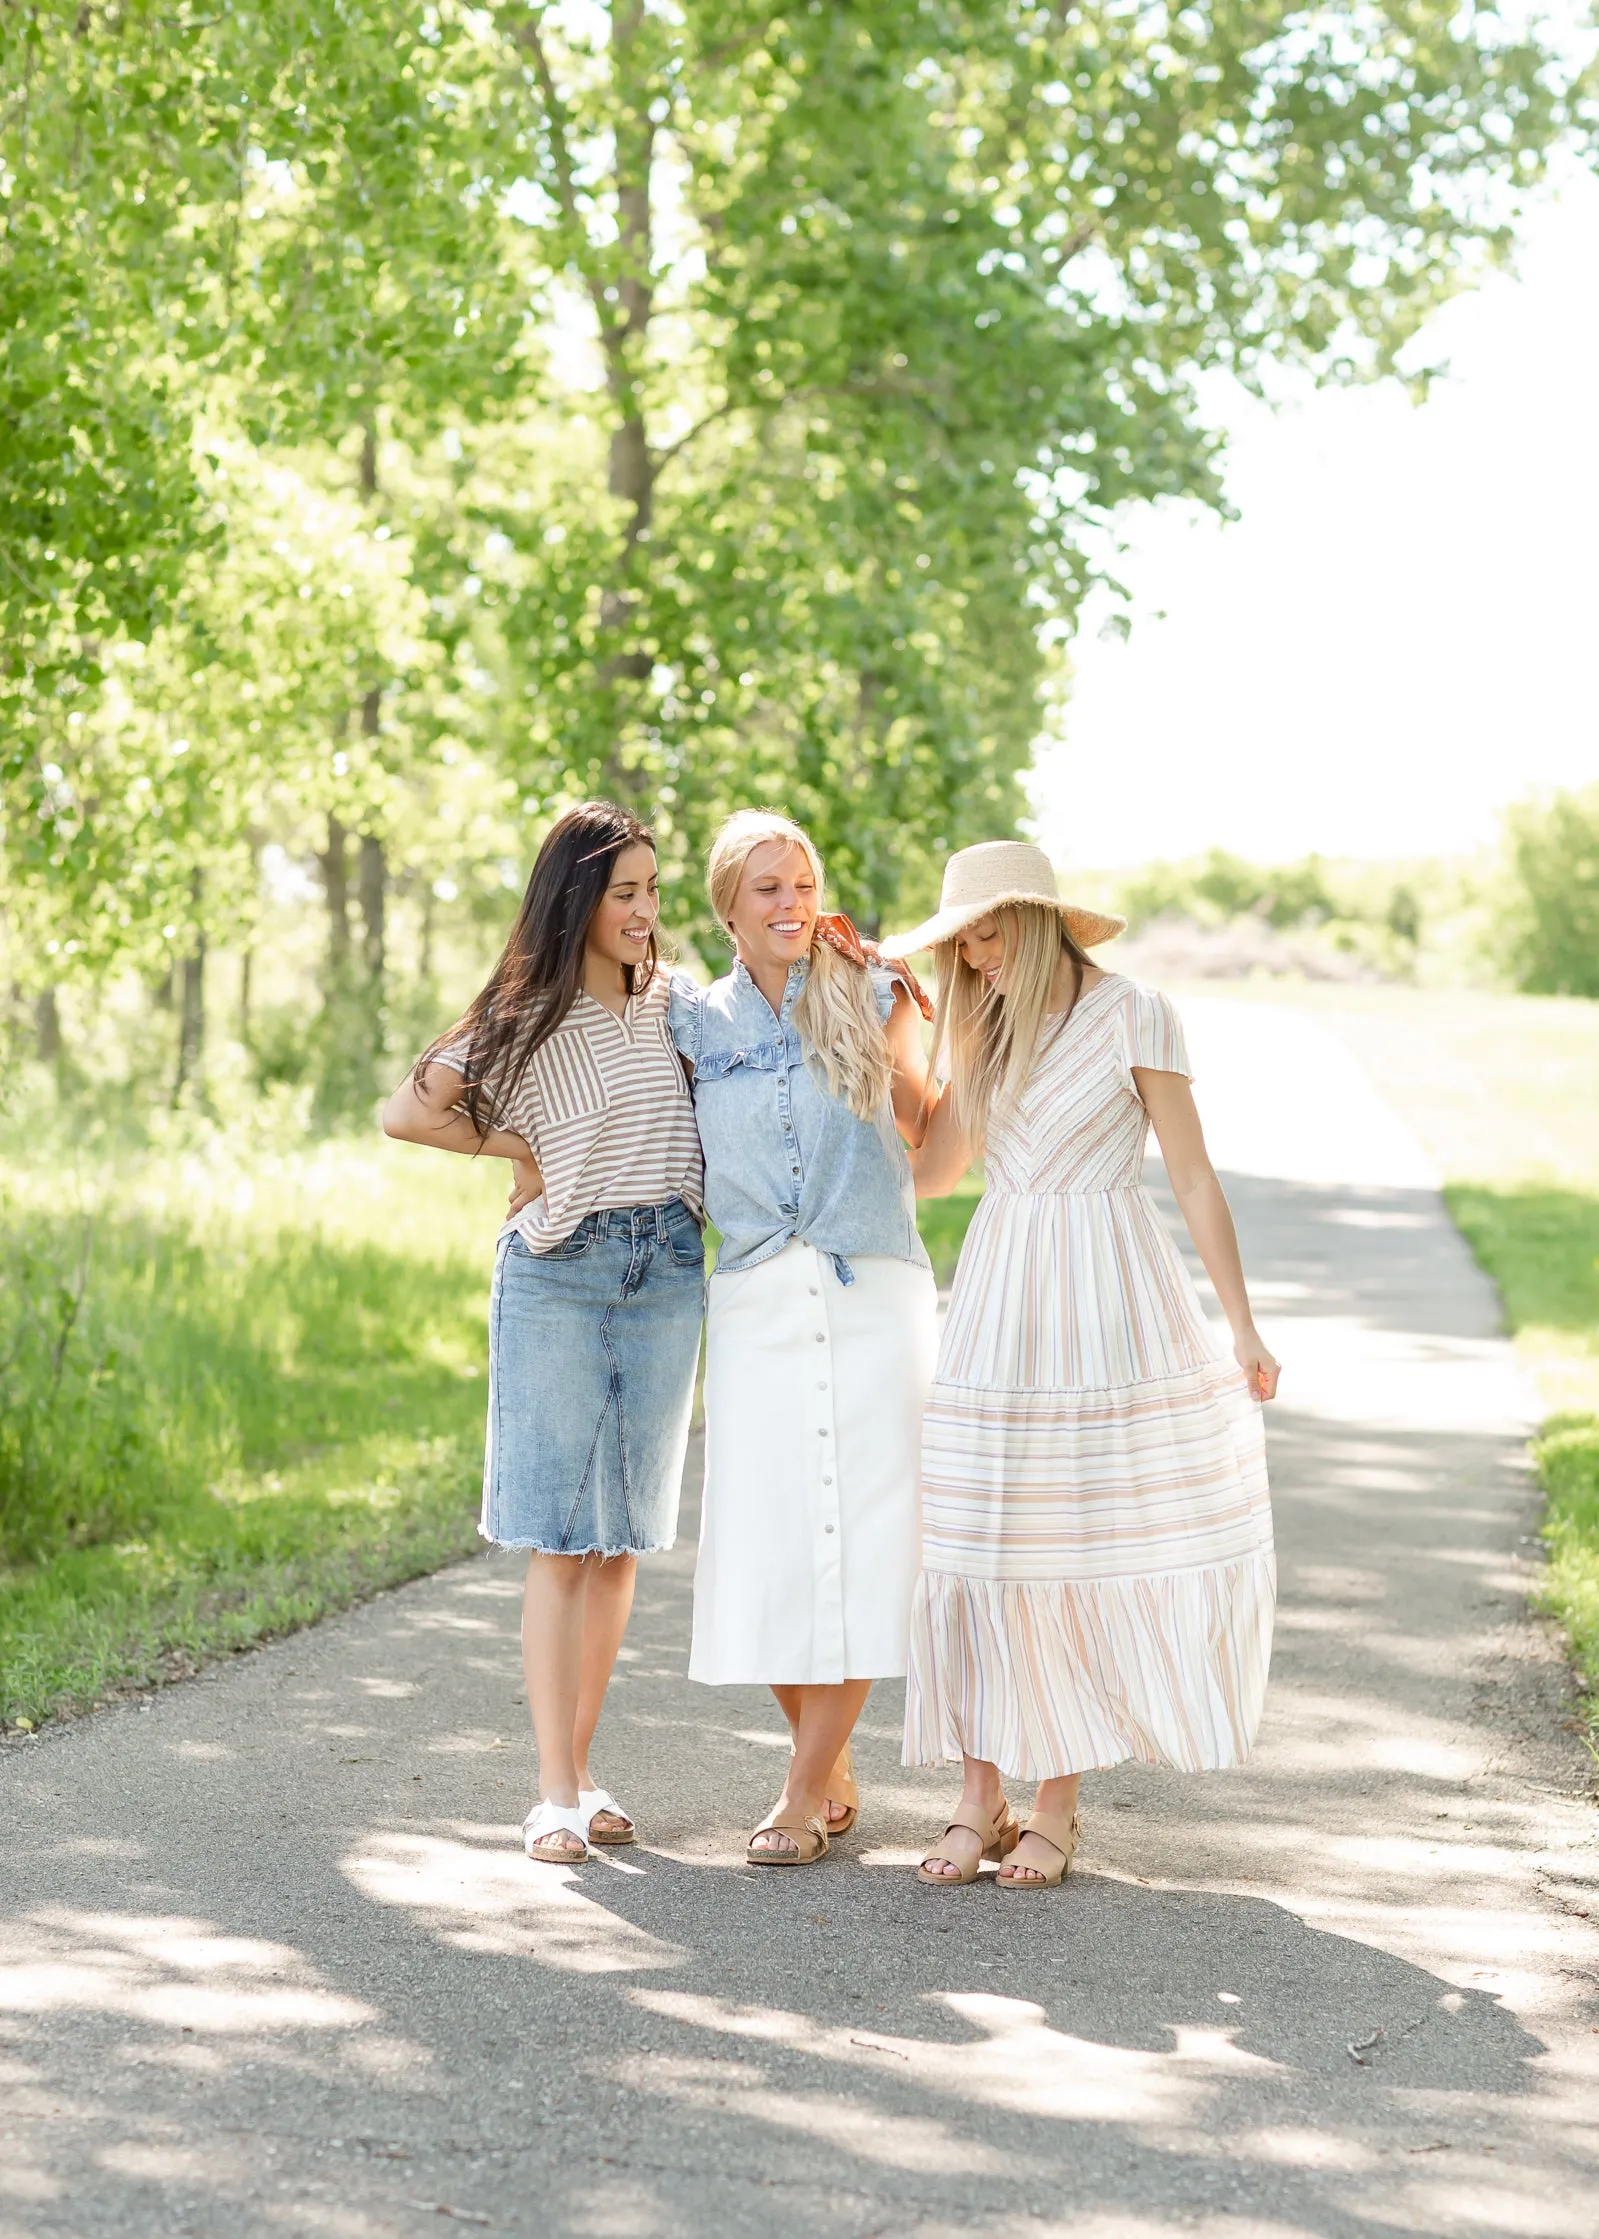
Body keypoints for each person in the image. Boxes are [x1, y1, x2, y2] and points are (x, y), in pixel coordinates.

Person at [882, 840, 1279, 1891]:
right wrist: (891, 1043)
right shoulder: (984, 1022)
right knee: (975, 1539)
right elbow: (931, 1173)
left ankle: (1054, 1802)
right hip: (1001, 1294)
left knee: (1069, 1543)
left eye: (985, 930)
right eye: (959, 939)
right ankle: (978, 1794)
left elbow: (1192, 1177)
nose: (973, 952)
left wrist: (1240, 1324)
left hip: (1104, 1296)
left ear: (1035, 917)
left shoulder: (1136, 1013)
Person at [382, 801, 705, 1867]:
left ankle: (583, 1766)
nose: (647, 911)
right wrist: (529, 1144)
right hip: (561, 1274)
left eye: (654, 891)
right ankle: (553, 1790)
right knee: (563, 1540)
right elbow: (408, 1112)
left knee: (620, 1545)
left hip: (664, 1270)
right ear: (578, 897)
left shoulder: (676, 1002)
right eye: (627, 893)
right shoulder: (527, 1009)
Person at [669, 811, 937, 1866]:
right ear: (728, 908)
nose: (790, 905)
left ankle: (797, 1792)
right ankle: (826, 1758)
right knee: (771, 1537)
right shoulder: (691, 1023)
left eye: (803, 883)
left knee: (868, 1534)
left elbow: (929, 1127)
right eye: (766, 889)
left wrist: (926, 1015)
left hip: (871, 1290)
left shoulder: (870, 995)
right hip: (753, 1301)